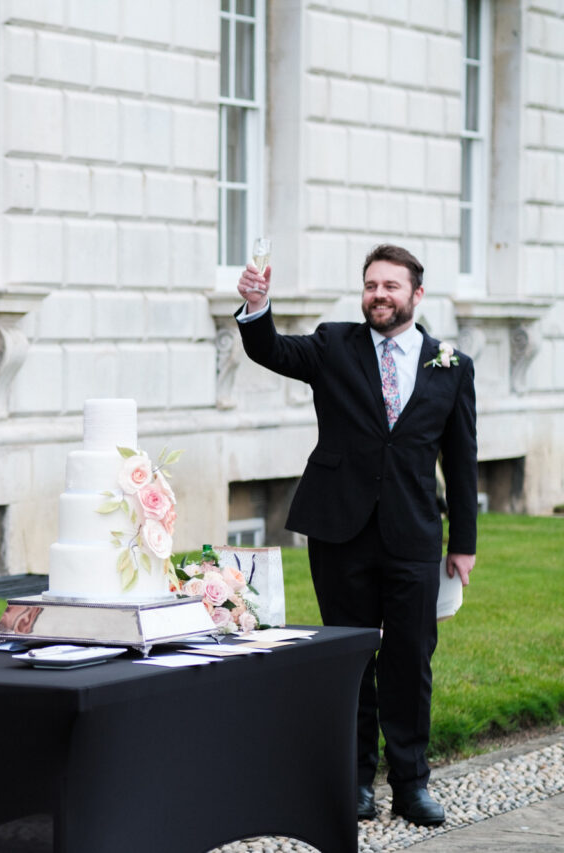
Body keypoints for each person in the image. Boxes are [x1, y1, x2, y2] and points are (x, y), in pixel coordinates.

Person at [235, 244, 477, 827]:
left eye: (391, 286)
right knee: (350, 659)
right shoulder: (332, 344)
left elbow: (462, 460)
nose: (379, 295)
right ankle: (355, 781)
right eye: (371, 285)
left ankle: (412, 784)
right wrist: (257, 306)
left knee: (410, 660)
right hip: (340, 531)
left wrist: (463, 542)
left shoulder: (451, 364)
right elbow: (270, 349)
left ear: (416, 295)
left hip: (415, 534)